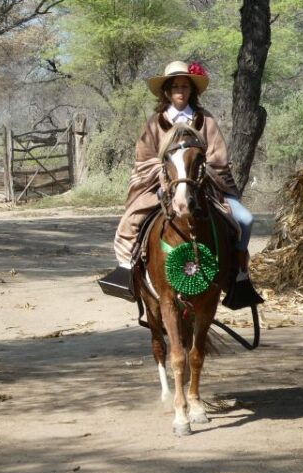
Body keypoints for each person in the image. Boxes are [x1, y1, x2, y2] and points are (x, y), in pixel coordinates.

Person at [108, 60, 258, 304]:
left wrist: (197, 173)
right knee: (133, 220)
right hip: (161, 184)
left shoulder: (204, 120)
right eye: (175, 86)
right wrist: (166, 173)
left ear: (192, 91)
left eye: (185, 87)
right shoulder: (156, 121)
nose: (180, 91)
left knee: (245, 220)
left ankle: (238, 274)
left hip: (203, 184)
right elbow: (144, 157)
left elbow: (218, 156)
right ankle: (128, 269)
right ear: (167, 90)